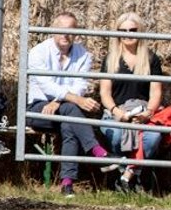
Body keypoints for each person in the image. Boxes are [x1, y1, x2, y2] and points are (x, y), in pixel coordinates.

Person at [26, 11, 119, 198]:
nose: (65, 35)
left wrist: (59, 101)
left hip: (62, 108)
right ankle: (97, 151)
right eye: (61, 30)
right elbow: (46, 84)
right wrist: (71, 99)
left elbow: (80, 85)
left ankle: (67, 185)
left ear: (76, 33)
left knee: (69, 122)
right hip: (38, 109)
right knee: (72, 110)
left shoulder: (83, 55)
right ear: (53, 30)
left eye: (70, 30)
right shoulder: (37, 52)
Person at [98, 11, 164, 194]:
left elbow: (156, 92)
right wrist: (115, 111)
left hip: (142, 113)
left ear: (140, 31)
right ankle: (127, 179)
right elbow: (104, 93)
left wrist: (148, 113)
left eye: (133, 30)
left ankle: (128, 176)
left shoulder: (151, 59)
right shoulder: (110, 59)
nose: (128, 34)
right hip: (116, 111)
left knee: (152, 138)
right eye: (123, 30)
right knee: (117, 136)